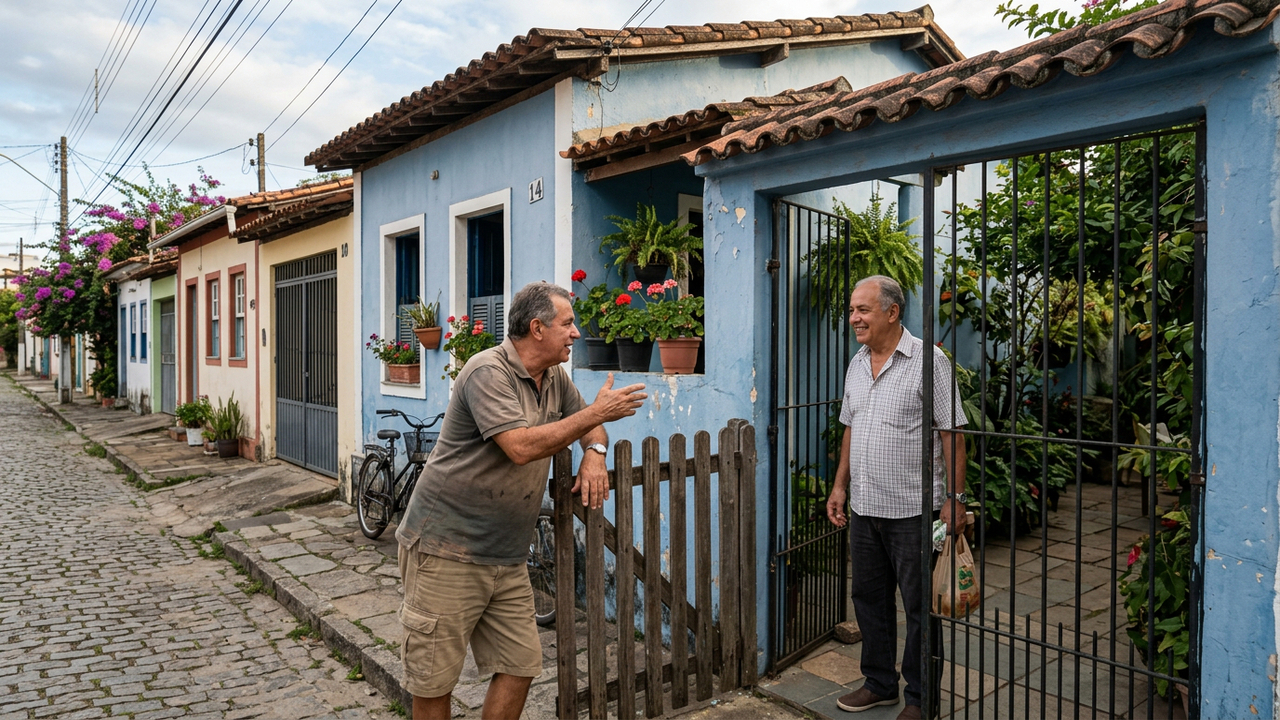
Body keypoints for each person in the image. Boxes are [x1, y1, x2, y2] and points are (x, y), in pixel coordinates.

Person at [395, 281, 647, 720]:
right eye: (567, 324)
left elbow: (589, 425)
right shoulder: (486, 372)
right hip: (446, 549)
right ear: (537, 328)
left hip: (507, 555)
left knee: (520, 665)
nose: (575, 333)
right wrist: (596, 415)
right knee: (434, 683)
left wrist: (595, 452)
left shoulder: (553, 378)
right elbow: (520, 446)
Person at [825, 275, 968, 720]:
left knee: (920, 608)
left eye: (863, 310)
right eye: (852, 310)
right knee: (868, 599)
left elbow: (953, 433)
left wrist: (955, 497)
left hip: (913, 510)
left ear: (892, 312)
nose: (854, 319)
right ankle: (880, 683)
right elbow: (851, 427)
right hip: (865, 507)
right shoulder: (856, 363)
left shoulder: (930, 362)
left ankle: (922, 699)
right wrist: (839, 485)